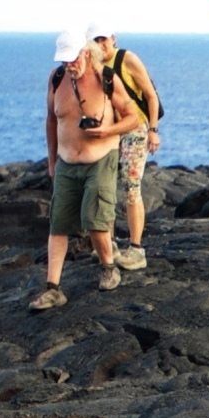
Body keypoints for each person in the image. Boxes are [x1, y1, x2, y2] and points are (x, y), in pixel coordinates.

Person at [34, 26, 141, 310]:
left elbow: (132, 117)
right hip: (67, 162)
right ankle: (53, 288)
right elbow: (51, 120)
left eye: (74, 59)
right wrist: (52, 159)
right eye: (64, 61)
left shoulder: (107, 78)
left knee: (95, 218)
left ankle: (108, 267)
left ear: (86, 52)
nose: (70, 65)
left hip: (101, 158)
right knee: (58, 224)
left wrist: (108, 131)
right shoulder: (57, 79)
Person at [96, 29, 162, 270]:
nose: (100, 44)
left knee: (131, 188)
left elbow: (150, 95)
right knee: (105, 187)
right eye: (95, 39)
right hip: (111, 131)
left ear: (113, 38)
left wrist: (153, 130)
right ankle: (110, 244)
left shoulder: (126, 59)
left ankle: (136, 248)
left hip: (135, 129)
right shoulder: (93, 64)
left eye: (103, 38)